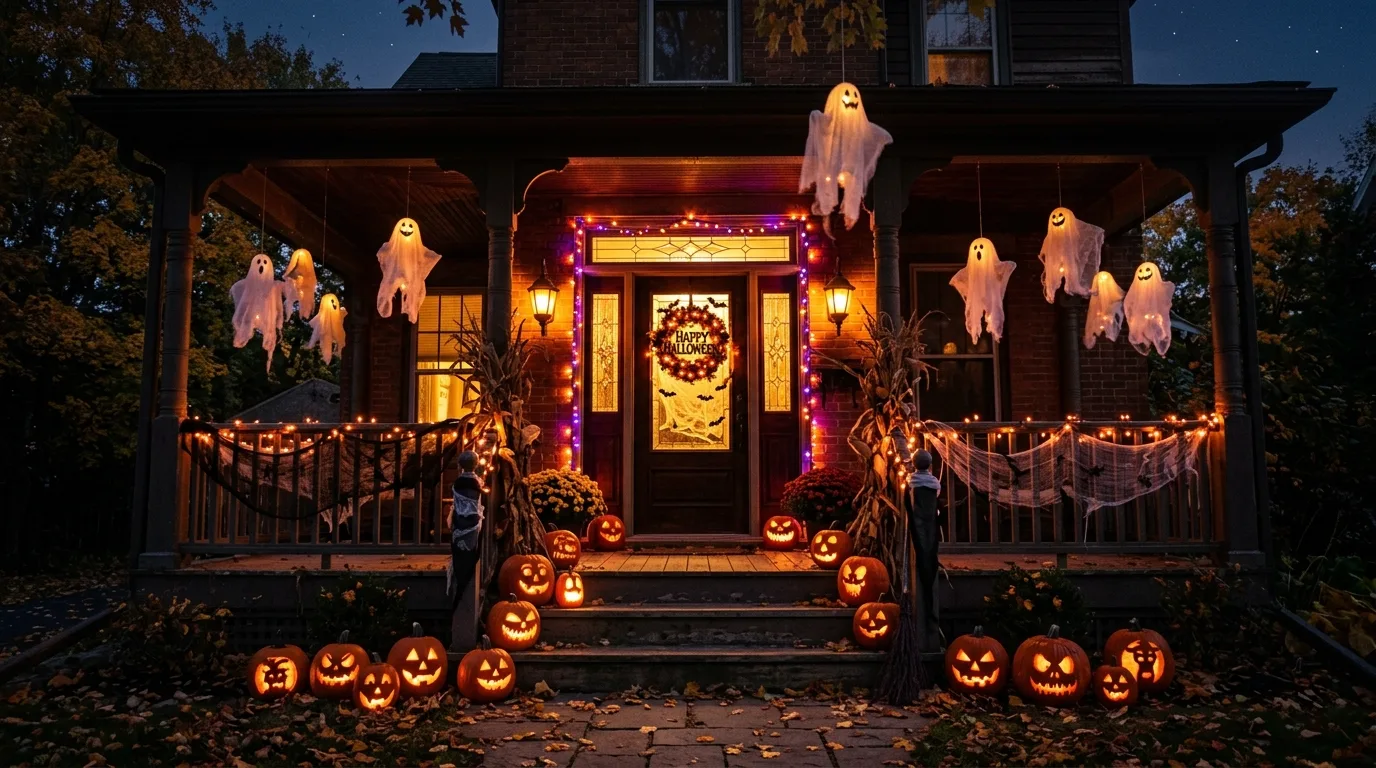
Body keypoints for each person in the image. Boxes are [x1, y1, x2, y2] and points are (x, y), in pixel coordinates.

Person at [906, 450, 941, 638]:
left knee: (926, 555)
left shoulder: (912, 483)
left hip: (922, 528)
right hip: (927, 528)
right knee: (927, 553)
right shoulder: (934, 483)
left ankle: (929, 617)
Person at [447, 451, 484, 609]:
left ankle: (461, 591)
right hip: (471, 525)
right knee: (465, 559)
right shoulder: (474, 483)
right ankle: (461, 593)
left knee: (463, 559)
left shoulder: (459, 483)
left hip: (461, 525)